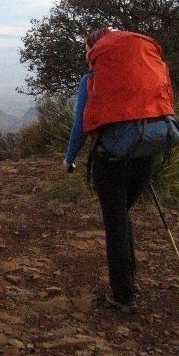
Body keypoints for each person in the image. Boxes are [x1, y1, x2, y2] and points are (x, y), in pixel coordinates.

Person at [63, 27, 156, 313]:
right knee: (122, 216)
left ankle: (123, 295)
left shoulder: (91, 80)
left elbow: (81, 124)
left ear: (95, 52)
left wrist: (69, 159)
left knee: (115, 223)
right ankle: (130, 279)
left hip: (111, 161)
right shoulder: (143, 77)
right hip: (145, 154)